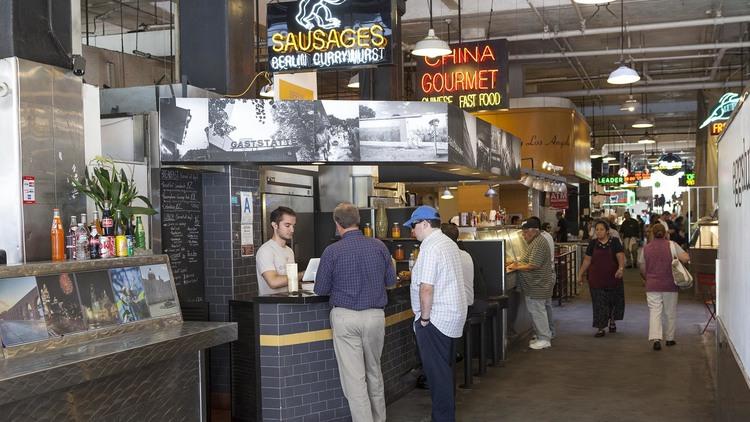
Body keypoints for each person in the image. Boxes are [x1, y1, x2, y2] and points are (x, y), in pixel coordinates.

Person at [314, 203, 397, 422]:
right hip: (374, 317)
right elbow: (391, 282)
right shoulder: (379, 246)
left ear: (337, 223)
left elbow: (320, 289)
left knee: (355, 379)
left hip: (345, 317)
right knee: (374, 372)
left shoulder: (332, 251)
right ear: (358, 220)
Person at [405, 206, 467, 422]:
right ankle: (442, 416)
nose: (412, 231)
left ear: (424, 223)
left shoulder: (430, 248)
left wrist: (424, 318)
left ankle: (442, 418)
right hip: (451, 316)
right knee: (445, 371)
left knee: (437, 375)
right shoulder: (448, 243)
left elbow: (426, 287)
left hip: (436, 319)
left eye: (413, 226)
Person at [638, 223, 690, 351]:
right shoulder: (672, 245)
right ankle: (670, 339)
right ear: (666, 233)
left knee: (655, 312)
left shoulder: (646, 248)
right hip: (670, 284)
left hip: (652, 285)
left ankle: (656, 339)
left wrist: (647, 278)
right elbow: (686, 258)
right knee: (670, 312)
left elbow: (641, 266)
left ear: (652, 234)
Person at [506, 218, 555, 350]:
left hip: (537, 284)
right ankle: (542, 336)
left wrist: (516, 267)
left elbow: (533, 265)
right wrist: (518, 264)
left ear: (533, 232)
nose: (523, 235)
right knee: (539, 311)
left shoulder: (538, 243)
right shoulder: (536, 241)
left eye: (525, 233)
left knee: (538, 311)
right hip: (536, 284)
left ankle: (544, 339)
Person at [578, 220, 625, 337]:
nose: (599, 232)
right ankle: (600, 328)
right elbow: (587, 260)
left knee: (612, 302)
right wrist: (580, 274)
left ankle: (612, 321)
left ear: (607, 231)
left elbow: (620, 255)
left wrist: (621, 268)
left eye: (601, 229)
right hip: (596, 279)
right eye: (597, 229)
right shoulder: (593, 244)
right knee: (599, 303)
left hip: (613, 278)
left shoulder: (614, 242)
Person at [255, 206, 297, 295]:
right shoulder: (265, 251)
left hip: (288, 303)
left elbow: (290, 282)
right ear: (275, 225)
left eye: (293, 226)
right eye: (287, 225)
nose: (292, 230)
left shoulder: (289, 251)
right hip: (271, 306)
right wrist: (302, 275)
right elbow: (273, 282)